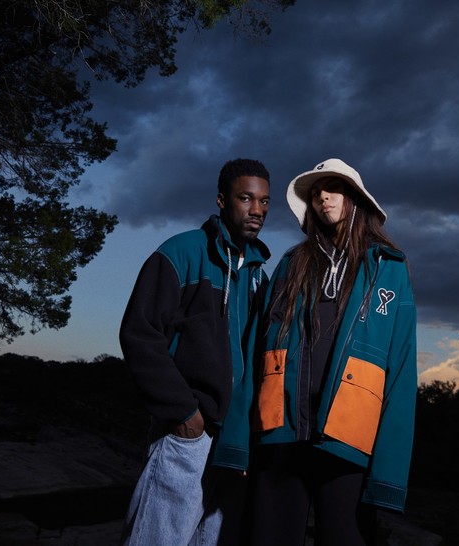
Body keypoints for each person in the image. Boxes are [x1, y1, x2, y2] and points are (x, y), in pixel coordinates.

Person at [250, 158, 416, 545]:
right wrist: (242, 444)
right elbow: (259, 351)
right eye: (316, 193)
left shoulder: (388, 267)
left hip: (348, 438)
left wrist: (389, 473)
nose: (323, 196)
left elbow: (401, 367)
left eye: (334, 188)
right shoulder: (292, 263)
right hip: (283, 433)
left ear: (355, 198)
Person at [119, 158, 271, 546]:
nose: (256, 210)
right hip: (189, 435)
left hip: (234, 444)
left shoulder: (260, 277)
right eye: (246, 198)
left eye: (264, 202)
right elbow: (140, 334)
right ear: (222, 200)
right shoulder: (182, 252)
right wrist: (184, 414)